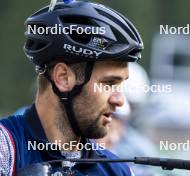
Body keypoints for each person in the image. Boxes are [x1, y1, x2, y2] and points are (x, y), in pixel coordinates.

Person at [0, 0, 143, 175]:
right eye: (109, 83)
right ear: (63, 78)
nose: (120, 100)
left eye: (122, 84)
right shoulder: (5, 150)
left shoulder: (118, 171)